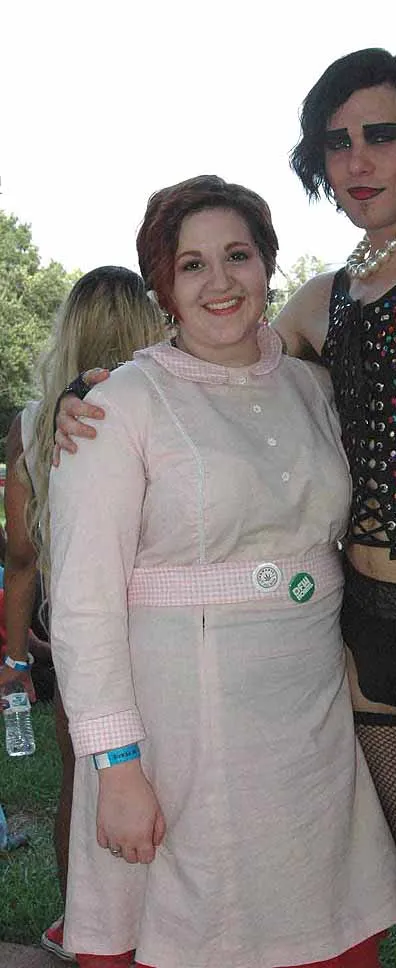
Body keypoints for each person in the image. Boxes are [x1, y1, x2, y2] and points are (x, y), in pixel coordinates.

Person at [55, 49, 396, 968]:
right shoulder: (329, 298)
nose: (357, 160)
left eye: (381, 134)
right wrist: (95, 387)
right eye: (335, 142)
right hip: (356, 635)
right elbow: (218, 361)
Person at [48, 175, 396, 968]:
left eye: (237, 256)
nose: (219, 282)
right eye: (192, 265)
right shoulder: (120, 405)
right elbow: (82, 604)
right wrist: (117, 768)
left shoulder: (313, 389)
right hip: (182, 728)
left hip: (311, 720)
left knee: (316, 916)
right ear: (163, 286)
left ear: (267, 264)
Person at [0, 266, 167, 962]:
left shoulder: (38, 422)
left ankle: (86, 930)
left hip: (79, 634)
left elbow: (21, 557)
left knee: (85, 783)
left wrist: (15, 658)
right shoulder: (165, 400)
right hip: (167, 626)